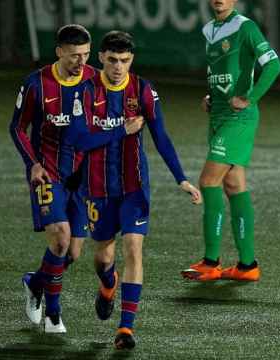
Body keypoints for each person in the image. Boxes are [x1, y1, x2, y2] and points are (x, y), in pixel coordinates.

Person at [10, 24, 144, 333]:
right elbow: (17, 128)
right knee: (59, 238)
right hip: (49, 173)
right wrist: (32, 164)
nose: (81, 63)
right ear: (59, 52)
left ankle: (35, 282)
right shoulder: (36, 84)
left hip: (86, 179)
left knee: (72, 252)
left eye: (85, 55)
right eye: (73, 56)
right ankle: (53, 315)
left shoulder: (96, 82)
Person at [85, 31, 201, 349]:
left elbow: (161, 136)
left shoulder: (143, 90)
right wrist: (121, 130)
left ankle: (126, 328)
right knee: (103, 255)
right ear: (101, 59)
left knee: (134, 249)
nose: (118, 67)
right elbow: (80, 140)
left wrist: (181, 178)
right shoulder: (85, 91)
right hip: (97, 186)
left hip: (135, 185)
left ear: (131, 60)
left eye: (124, 60)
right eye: (112, 60)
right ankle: (108, 285)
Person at [181, 0, 280, 282]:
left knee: (209, 181)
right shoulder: (209, 30)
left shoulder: (245, 27)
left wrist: (250, 98)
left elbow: (273, 65)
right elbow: (222, 73)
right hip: (218, 115)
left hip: (240, 118)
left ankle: (212, 261)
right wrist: (212, 97)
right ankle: (247, 266)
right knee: (233, 184)